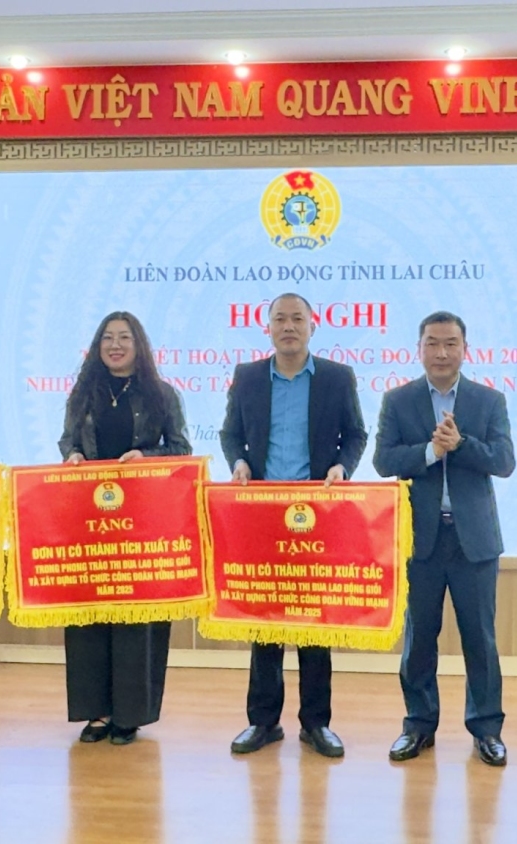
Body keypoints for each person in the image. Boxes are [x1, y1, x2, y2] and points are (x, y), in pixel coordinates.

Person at [221, 292, 368, 759]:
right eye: (280, 319)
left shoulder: (336, 377)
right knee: (265, 620)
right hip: (264, 512)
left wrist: (343, 467)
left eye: (297, 319)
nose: (289, 326)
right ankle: (263, 722)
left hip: (316, 513)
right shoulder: (248, 376)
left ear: (312, 326)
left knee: (313, 622)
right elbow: (230, 433)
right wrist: (239, 461)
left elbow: (356, 433)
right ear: (267, 328)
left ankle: (316, 723)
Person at [372, 311, 515, 766]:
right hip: (421, 540)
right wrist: (431, 452)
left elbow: (504, 461)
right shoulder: (399, 401)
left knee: (480, 639)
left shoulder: (488, 401)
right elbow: (383, 460)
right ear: (419, 349)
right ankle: (418, 725)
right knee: (419, 639)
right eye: (432, 343)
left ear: (465, 349)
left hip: (474, 541)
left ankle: (487, 729)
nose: (441, 352)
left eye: (450, 343)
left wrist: (461, 444)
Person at [57, 311, 191, 746]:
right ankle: (96, 711)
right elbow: (68, 439)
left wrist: (145, 458)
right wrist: (73, 455)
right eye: (108, 338)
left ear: (139, 345)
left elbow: (181, 449)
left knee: (136, 618)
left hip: (142, 525)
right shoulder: (83, 393)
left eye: (124, 338)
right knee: (91, 614)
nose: (115, 345)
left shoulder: (162, 395)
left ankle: (129, 714)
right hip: (91, 520)